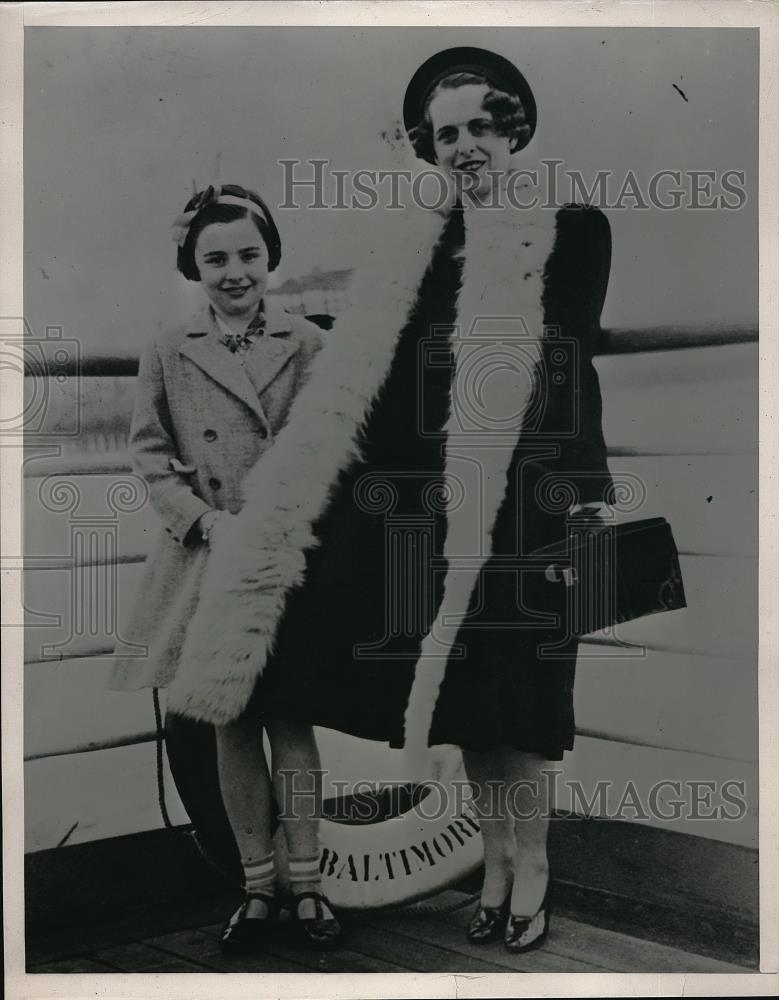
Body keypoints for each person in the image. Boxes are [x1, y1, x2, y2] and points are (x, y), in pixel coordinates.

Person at [171, 48, 613, 954]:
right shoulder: (413, 246)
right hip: (440, 499)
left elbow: (565, 359)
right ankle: (491, 864)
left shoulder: (568, 223)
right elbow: (383, 359)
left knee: (521, 694)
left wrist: (577, 498)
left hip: (525, 490)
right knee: (472, 695)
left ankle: (530, 868)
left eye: (477, 129)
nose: (461, 148)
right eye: (444, 135)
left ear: (513, 129)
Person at [109, 183, 342, 951]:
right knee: (230, 722)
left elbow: (324, 450)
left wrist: (278, 525)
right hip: (210, 556)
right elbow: (148, 451)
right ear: (193, 266)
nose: (234, 271)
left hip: (281, 560)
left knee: (289, 717)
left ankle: (307, 885)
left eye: (248, 254)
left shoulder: (308, 343)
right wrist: (203, 520)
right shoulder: (169, 348)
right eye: (215, 258)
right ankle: (257, 888)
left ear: (270, 256)